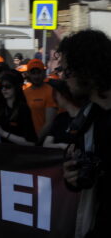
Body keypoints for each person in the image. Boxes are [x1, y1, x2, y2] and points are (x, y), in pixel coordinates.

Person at [57, 29, 111, 238]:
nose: (64, 78)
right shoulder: (87, 118)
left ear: (86, 71)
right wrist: (74, 178)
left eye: (67, 71)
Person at [0, 70, 37, 146]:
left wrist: (2, 133)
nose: (3, 89)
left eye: (8, 86)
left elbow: (31, 143)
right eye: (1, 87)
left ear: (16, 88)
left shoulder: (23, 109)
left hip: (15, 153)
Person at [23, 59, 57, 143]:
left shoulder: (50, 91)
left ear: (44, 73)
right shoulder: (24, 92)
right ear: (28, 74)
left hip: (41, 141)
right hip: (25, 140)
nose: (36, 76)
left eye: (39, 72)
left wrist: (37, 141)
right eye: (33, 73)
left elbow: (49, 122)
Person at [42, 79, 83, 150]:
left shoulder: (85, 118)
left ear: (63, 95)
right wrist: (61, 146)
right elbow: (46, 144)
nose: (54, 98)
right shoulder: (60, 118)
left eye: (55, 94)